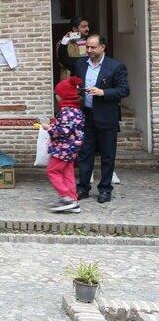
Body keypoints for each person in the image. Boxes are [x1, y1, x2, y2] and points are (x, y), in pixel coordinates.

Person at [56, 32, 129, 203]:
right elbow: (65, 62)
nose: (89, 50)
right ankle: (83, 188)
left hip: (107, 117)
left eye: (92, 47)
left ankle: (104, 189)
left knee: (107, 155)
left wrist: (102, 92)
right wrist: (65, 42)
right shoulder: (81, 64)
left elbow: (124, 90)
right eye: (87, 47)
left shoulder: (116, 67)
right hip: (86, 116)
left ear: (102, 48)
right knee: (84, 154)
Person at [47, 77, 86, 214]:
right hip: (72, 148)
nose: (56, 96)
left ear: (63, 96)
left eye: (57, 94)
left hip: (63, 148)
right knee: (67, 172)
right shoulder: (76, 111)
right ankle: (74, 201)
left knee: (52, 171)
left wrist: (49, 128)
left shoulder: (66, 112)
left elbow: (63, 131)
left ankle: (66, 198)